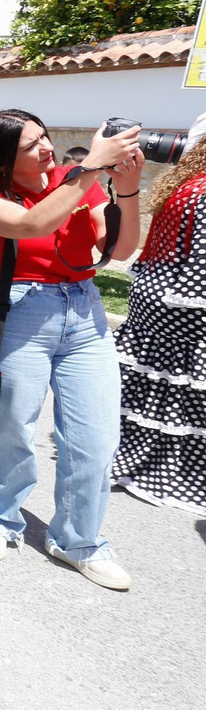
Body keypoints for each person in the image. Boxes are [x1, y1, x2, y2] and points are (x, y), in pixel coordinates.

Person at [0, 109, 142, 590]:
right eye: (30, 145)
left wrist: (127, 186)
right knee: (12, 428)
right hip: (21, 312)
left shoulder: (73, 178)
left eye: (44, 137)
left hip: (85, 313)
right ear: (1, 163)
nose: (46, 148)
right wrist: (88, 172)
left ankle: (80, 541)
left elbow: (122, 249)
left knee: (95, 437)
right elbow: (31, 224)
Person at [112, 137, 206, 516]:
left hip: (154, 289)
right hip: (186, 299)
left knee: (152, 381)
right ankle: (170, 471)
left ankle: (128, 452)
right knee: (181, 390)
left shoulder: (190, 181)